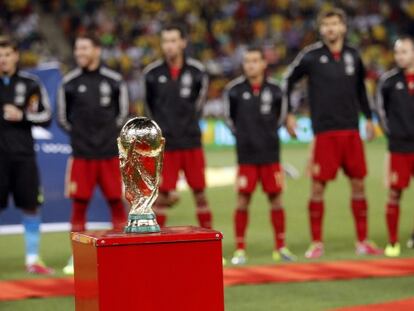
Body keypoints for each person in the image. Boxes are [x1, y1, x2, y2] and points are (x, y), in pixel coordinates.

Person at [285, 8, 382, 259]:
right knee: (317, 188)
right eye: (326, 24)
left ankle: (362, 241)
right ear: (321, 29)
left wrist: (369, 119)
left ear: (343, 27)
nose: (330, 28)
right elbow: (287, 81)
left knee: (358, 185)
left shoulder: (353, 55)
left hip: (351, 130)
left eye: (335, 24)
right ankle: (316, 243)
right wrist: (289, 113)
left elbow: (361, 90)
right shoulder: (311, 56)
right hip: (324, 132)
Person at [57, 33, 129, 274]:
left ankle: (121, 253)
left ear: (97, 50)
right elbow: (63, 119)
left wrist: (107, 136)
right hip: (82, 155)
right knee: (79, 206)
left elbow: (123, 114)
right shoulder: (69, 82)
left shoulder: (115, 80)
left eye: (84, 48)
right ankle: (75, 257)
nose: (80, 53)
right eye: (77, 49)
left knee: (116, 203)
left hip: (109, 154)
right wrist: (82, 137)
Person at [224, 47, 296, 265]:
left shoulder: (276, 90)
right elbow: (229, 119)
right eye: (247, 61)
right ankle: (240, 249)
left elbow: (281, 116)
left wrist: (265, 135)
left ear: (264, 64)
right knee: (243, 200)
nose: (250, 65)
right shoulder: (234, 90)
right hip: (246, 155)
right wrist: (245, 136)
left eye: (255, 61)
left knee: (276, 200)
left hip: (270, 154)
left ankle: (281, 247)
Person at [143, 24, 212, 229]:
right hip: (165, 145)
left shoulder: (197, 72)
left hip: (191, 141)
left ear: (183, 43)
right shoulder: (152, 74)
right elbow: (149, 109)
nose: (169, 46)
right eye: (165, 41)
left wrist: (186, 125)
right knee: (162, 195)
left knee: (199, 193)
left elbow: (198, 107)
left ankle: (210, 242)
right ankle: (156, 246)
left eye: (173, 41)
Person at [0, 38, 53, 274]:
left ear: (16, 56)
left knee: (30, 206)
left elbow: (46, 116)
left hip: (23, 157)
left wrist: (21, 115)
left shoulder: (31, 83)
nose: (3, 59)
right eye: (0, 55)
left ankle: (33, 259)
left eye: (7, 54)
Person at [376, 36, 414, 256]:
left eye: (405, 51)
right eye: (398, 52)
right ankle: (392, 242)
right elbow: (381, 112)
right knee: (394, 193)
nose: (400, 56)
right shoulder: (388, 81)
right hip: (399, 147)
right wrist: (394, 134)